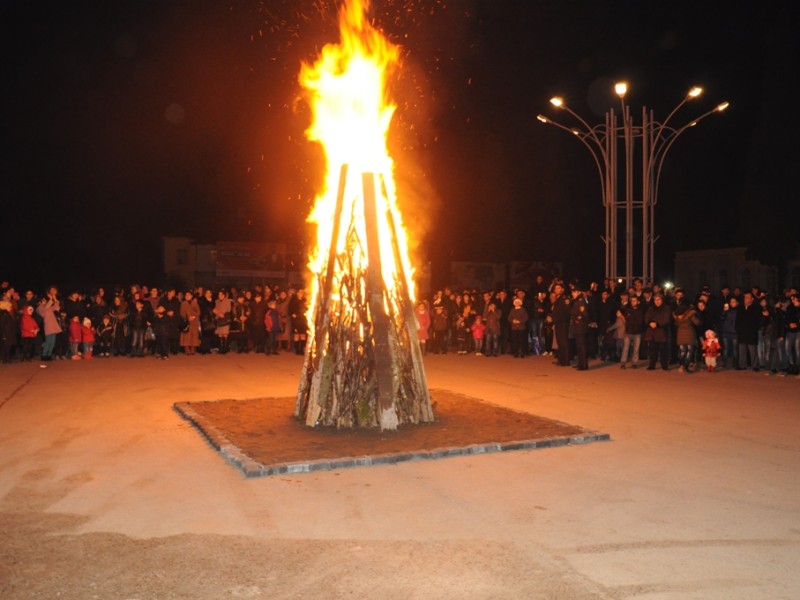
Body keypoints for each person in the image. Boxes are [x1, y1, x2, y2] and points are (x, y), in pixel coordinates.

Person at [644, 294, 672, 371]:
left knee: (663, 350)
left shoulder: (667, 308)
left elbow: (666, 319)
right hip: (652, 332)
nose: (657, 301)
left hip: (662, 332)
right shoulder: (651, 308)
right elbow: (646, 317)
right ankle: (652, 365)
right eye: (655, 300)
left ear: (662, 300)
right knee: (652, 350)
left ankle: (664, 366)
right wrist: (650, 323)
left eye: (659, 300)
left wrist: (657, 323)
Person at [735, 291, 761, 370]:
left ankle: (755, 365)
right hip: (742, 332)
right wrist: (737, 328)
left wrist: (754, 328)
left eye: (748, 297)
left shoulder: (756, 307)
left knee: (752, 350)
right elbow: (738, 319)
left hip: (751, 332)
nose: (746, 299)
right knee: (742, 349)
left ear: (752, 299)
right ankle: (742, 365)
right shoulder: (740, 307)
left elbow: (756, 320)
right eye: (745, 297)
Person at [673, 303, 701, 373]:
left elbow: (675, 324)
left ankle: (681, 365)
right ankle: (686, 365)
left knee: (682, 351)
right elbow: (697, 322)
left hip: (680, 335)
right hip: (690, 335)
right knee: (689, 351)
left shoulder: (676, 317)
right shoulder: (690, 315)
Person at [37, 287, 62, 362]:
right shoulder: (39, 308)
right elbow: (45, 309)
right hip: (48, 326)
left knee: (52, 342)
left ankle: (49, 355)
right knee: (48, 341)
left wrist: (55, 300)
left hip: (53, 326)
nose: (44, 301)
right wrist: (51, 299)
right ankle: (44, 355)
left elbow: (56, 308)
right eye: (42, 300)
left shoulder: (48, 307)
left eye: (45, 300)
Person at [551, 283, 571, 366]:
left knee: (563, 342)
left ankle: (565, 361)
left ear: (562, 289)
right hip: (558, 323)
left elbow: (567, 312)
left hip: (563, 323)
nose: (556, 290)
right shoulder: (558, 298)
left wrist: (559, 319)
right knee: (559, 342)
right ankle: (561, 359)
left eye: (558, 288)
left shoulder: (564, 298)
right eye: (555, 288)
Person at [569, 288, 589, 370]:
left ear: (578, 292)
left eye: (574, 292)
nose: (573, 294)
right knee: (578, 346)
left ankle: (584, 365)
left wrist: (578, 318)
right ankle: (581, 362)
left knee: (582, 346)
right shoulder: (576, 301)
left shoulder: (581, 301)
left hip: (580, 327)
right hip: (577, 327)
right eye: (572, 292)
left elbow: (584, 314)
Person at [179, 290, 201, 355]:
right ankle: (187, 349)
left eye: (189, 295)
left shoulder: (195, 303)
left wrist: (193, 317)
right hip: (186, 322)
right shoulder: (183, 303)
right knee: (186, 335)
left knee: (194, 335)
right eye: (186, 295)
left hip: (194, 321)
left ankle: (193, 349)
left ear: (191, 296)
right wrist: (187, 317)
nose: (187, 296)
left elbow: (198, 312)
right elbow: (181, 313)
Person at [213, 289, 233, 354]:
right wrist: (219, 313)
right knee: (220, 333)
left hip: (225, 319)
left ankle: (225, 348)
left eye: (221, 294)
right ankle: (221, 348)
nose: (220, 296)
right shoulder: (216, 301)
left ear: (224, 295)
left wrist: (222, 313)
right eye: (219, 294)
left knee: (225, 333)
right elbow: (215, 309)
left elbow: (229, 309)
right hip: (219, 319)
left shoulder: (228, 301)